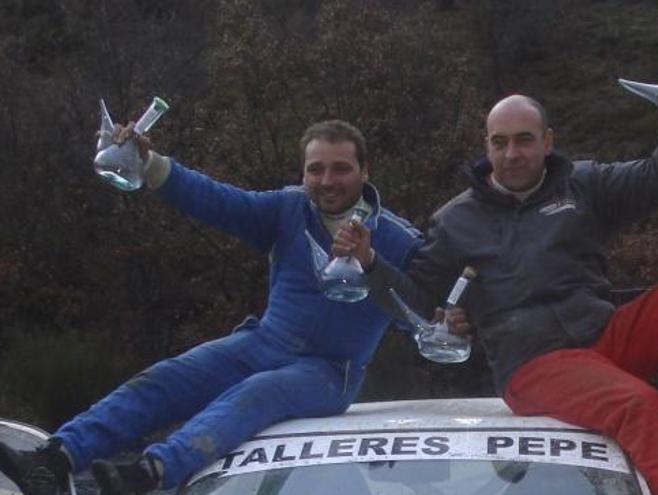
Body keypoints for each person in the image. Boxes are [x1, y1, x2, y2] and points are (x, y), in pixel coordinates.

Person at [332, 38, 658, 495]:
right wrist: (370, 262)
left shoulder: (582, 185)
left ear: (548, 140)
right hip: (533, 366)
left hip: (603, 337)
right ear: (486, 146)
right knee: (641, 406)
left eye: (524, 139)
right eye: (499, 142)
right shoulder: (456, 220)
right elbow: (417, 299)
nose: (512, 153)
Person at [0, 120, 423, 495]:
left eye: (341, 168)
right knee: (167, 377)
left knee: (257, 393)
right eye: (316, 169)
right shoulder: (288, 208)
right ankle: (54, 459)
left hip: (330, 370)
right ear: (304, 172)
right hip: (263, 342)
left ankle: (152, 472)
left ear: (365, 172)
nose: (327, 180)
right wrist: (149, 163)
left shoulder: (399, 239)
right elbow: (217, 201)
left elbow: (422, 317)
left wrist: (372, 264)